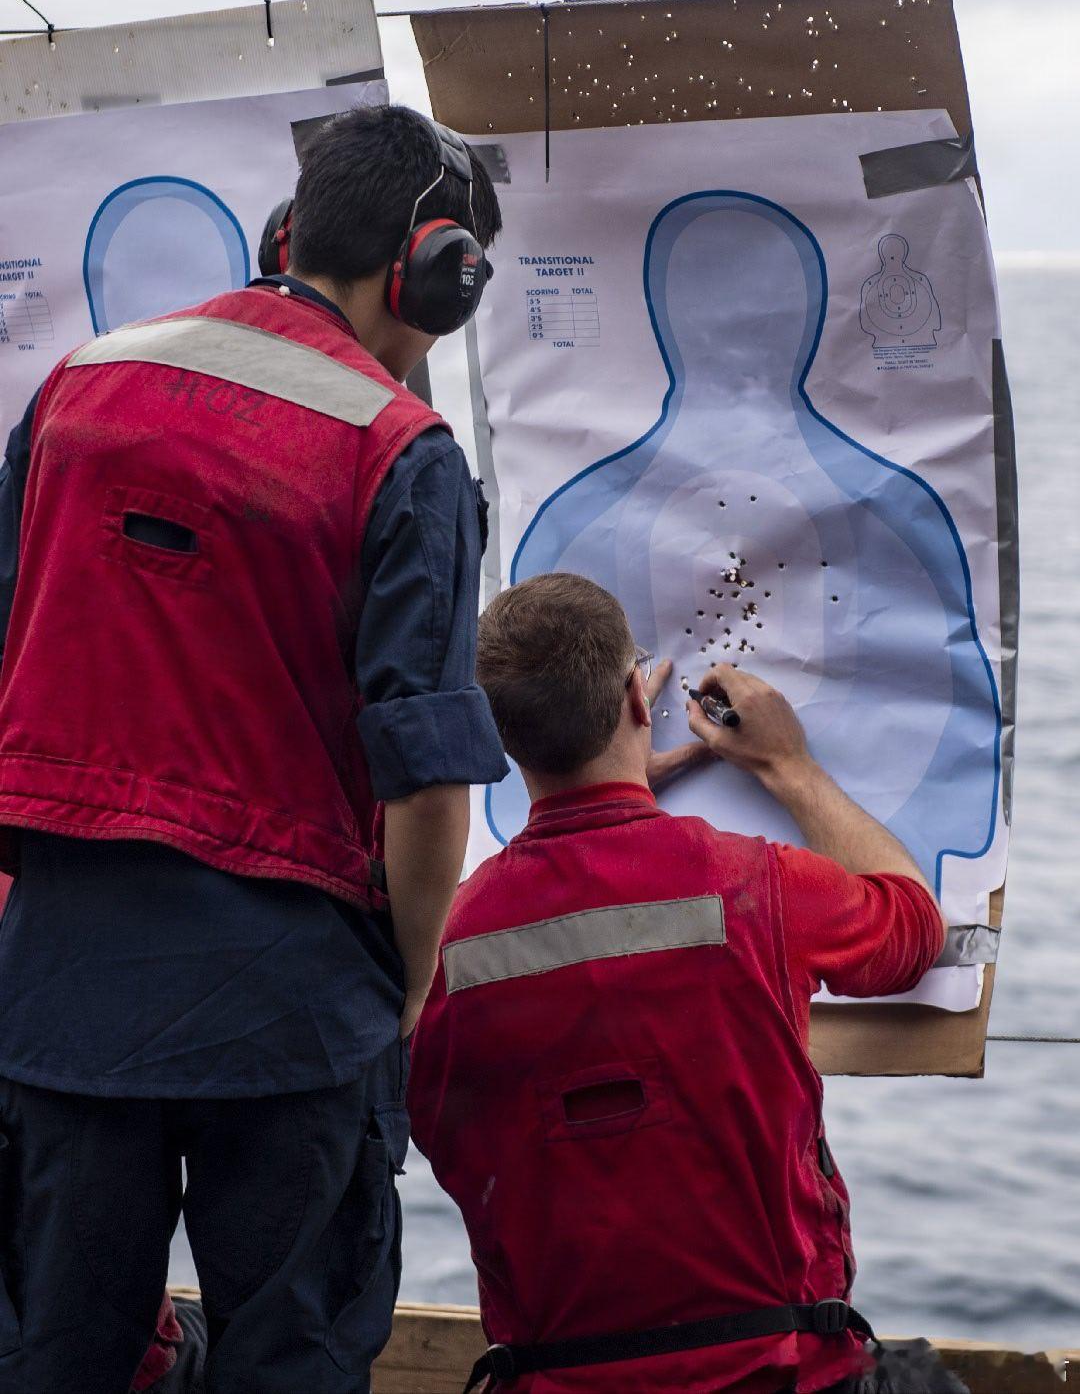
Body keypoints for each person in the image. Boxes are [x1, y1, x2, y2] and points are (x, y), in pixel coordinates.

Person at [0, 104, 509, 1394]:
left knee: (53, 1358)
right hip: (291, 1013)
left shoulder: (77, 385)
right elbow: (427, 776)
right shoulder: (401, 450)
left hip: (57, 989)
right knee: (293, 1361)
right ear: (437, 269)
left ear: (290, 235)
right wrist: (397, 985)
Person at [408, 572, 949, 1394]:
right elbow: (910, 929)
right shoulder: (752, 885)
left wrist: (605, 808)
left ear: (496, 735)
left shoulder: (446, 949)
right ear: (637, 696)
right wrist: (790, 768)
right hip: (777, 1371)